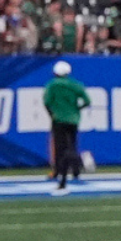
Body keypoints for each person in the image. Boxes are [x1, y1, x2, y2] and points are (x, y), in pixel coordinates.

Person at [43, 60, 91, 192]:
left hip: (58, 119)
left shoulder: (52, 85)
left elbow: (47, 102)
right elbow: (87, 101)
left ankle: (60, 172)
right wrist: (76, 109)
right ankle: (75, 170)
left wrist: (52, 113)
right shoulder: (75, 85)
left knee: (60, 148)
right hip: (73, 119)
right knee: (72, 145)